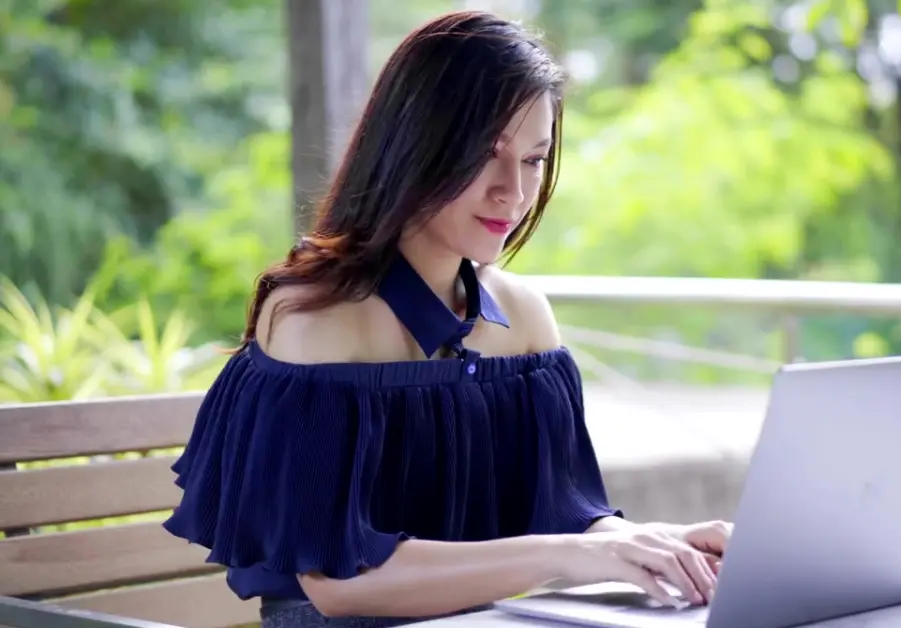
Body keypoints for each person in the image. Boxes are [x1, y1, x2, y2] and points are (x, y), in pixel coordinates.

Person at [163, 10, 733, 628]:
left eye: (535, 159)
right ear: (415, 145)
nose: (513, 191)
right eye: (485, 154)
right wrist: (575, 553)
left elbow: (565, 520)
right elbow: (338, 584)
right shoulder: (316, 321)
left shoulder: (525, 318)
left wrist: (669, 544)